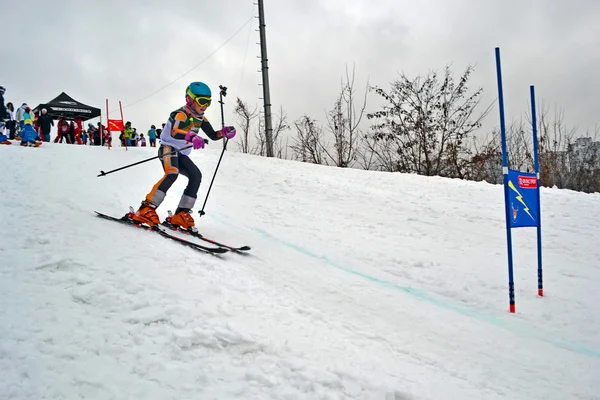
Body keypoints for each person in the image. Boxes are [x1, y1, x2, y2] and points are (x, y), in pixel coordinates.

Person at [130, 81, 236, 231]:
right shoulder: (180, 114)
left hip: (181, 153)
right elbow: (175, 131)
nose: (205, 105)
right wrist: (192, 137)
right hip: (168, 149)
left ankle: (181, 213)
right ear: (189, 99)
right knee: (172, 173)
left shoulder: (201, 118)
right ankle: (145, 209)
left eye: (208, 102)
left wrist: (224, 132)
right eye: (201, 101)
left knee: (196, 175)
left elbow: (212, 135)